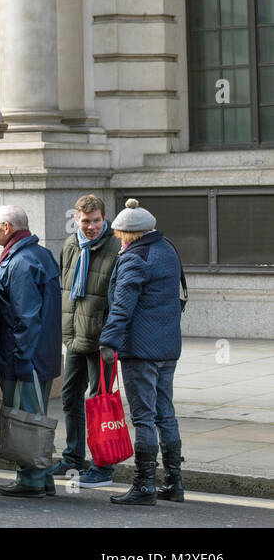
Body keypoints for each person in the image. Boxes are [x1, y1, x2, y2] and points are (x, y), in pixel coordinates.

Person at [100, 199, 186, 507]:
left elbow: (123, 305)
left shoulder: (135, 257)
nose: (119, 239)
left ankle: (145, 485)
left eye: (120, 234)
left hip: (140, 348)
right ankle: (174, 482)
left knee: (144, 417)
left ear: (127, 233)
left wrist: (108, 341)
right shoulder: (168, 248)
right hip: (167, 346)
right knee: (166, 413)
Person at [0, 204, 62, 499]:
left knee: (26, 417)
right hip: (42, 354)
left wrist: (20, 360)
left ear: (6, 227)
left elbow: (25, 318)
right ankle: (42, 476)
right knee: (36, 416)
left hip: (25, 356)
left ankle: (31, 480)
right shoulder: (40, 254)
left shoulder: (20, 263)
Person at [53, 194, 119, 488]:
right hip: (75, 336)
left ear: (104, 219)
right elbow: (64, 289)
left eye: (96, 221)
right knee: (70, 398)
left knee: (100, 402)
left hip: (102, 339)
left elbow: (120, 299)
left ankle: (103, 465)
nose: (90, 227)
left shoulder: (117, 247)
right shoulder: (71, 245)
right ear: (76, 220)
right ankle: (73, 458)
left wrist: (112, 335)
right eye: (85, 221)